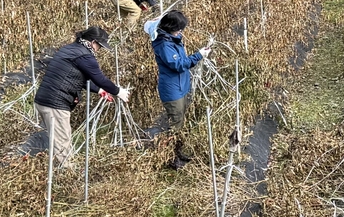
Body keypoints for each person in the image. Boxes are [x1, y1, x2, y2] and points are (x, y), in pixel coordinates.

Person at [34, 26, 130, 168]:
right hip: (55, 104)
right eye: (100, 46)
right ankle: (66, 177)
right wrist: (118, 91)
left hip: (44, 100)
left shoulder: (70, 49)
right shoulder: (85, 56)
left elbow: (76, 77)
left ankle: (57, 172)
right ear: (93, 42)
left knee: (58, 140)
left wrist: (99, 91)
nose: (100, 50)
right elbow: (100, 79)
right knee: (63, 143)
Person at [151, 10, 212, 170]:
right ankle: (168, 157)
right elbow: (178, 65)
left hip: (181, 86)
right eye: (179, 28)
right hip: (172, 90)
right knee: (176, 125)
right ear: (171, 27)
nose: (181, 31)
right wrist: (198, 55)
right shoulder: (164, 45)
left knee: (180, 122)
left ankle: (176, 153)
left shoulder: (173, 39)